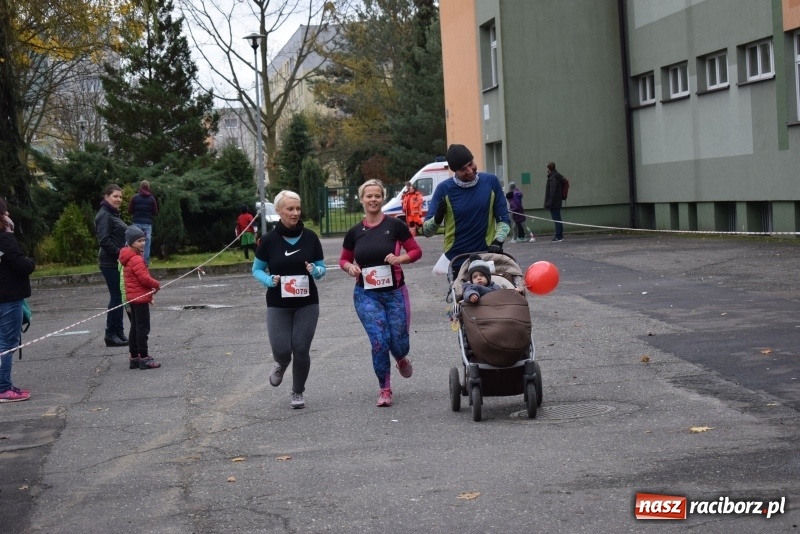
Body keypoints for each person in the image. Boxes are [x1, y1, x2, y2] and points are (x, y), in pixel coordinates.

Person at [339, 179, 422, 407]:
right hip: (366, 294)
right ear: (362, 199)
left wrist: (400, 258)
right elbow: (344, 259)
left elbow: (416, 251)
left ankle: (401, 357)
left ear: (383, 198)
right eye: (369, 196)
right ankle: (385, 389)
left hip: (395, 293)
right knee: (379, 341)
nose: (373, 199)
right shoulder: (355, 232)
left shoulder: (395, 226)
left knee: (399, 344)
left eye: (377, 195)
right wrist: (350, 267)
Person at [252, 190, 325, 409]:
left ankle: (297, 391)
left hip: (307, 303)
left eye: (298, 208)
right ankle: (281, 363)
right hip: (278, 303)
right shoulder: (268, 240)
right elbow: (256, 270)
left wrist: (316, 271)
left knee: (301, 349)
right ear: (279, 211)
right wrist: (269, 280)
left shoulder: (310, 237)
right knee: (282, 350)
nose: (295, 213)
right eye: (290, 209)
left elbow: (321, 268)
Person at [422, 144, 510, 273]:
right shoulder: (444, 189)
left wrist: (498, 242)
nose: (469, 170)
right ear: (455, 171)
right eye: (463, 169)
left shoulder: (491, 181)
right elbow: (426, 231)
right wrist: (437, 218)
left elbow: (504, 220)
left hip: (486, 255)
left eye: (471, 164)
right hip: (456, 258)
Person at [0, 198, 35, 402]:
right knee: (8, 343)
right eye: (5, 212)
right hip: (8, 297)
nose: (8, 215)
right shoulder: (5, 239)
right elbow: (22, 266)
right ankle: (4, 387)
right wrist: (30, 262)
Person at [119, 226, 162, 370]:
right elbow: (144, 278)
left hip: (133, 298)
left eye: (144, 240)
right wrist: (156, 284)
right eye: (139, 241)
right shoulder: (136, 259)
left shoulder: (128, 257)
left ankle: (134, 357)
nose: (143, 243)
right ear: (131, 242)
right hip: (140, 298)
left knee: (135, 328)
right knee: (143, 329)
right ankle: (144, 358)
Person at [95, 184, 128, 347]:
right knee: (116, 296)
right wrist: (120, 254)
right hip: (109, 262)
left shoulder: (113, 214)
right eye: (115, 196)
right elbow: (104, 240)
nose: (119, 199)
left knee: (120, 297)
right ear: (106, 196)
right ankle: (110, 334)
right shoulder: (105, 215)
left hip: (116, 261)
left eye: (120, 197)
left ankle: (119, 332)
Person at [128, 180, 158, 265]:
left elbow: (129, 210)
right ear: (148, 187)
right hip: (147, 224)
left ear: (140, 187)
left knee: (135, 242)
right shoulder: (152, 198)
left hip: (136, 223)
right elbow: (155, 212)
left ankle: (134, 260)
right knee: (146, 243)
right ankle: (145, 262)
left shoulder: (135, 197)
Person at [544, 162, 565, 242]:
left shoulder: (553, 179)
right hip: (557, 202)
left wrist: (550, 203)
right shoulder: (556, 177)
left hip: (554, 203)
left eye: (547, 168)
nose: (546, 169)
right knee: (558, 219)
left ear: (549, 169)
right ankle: (559, 235)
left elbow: (553, 192)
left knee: (556, 220)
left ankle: (558, 236)